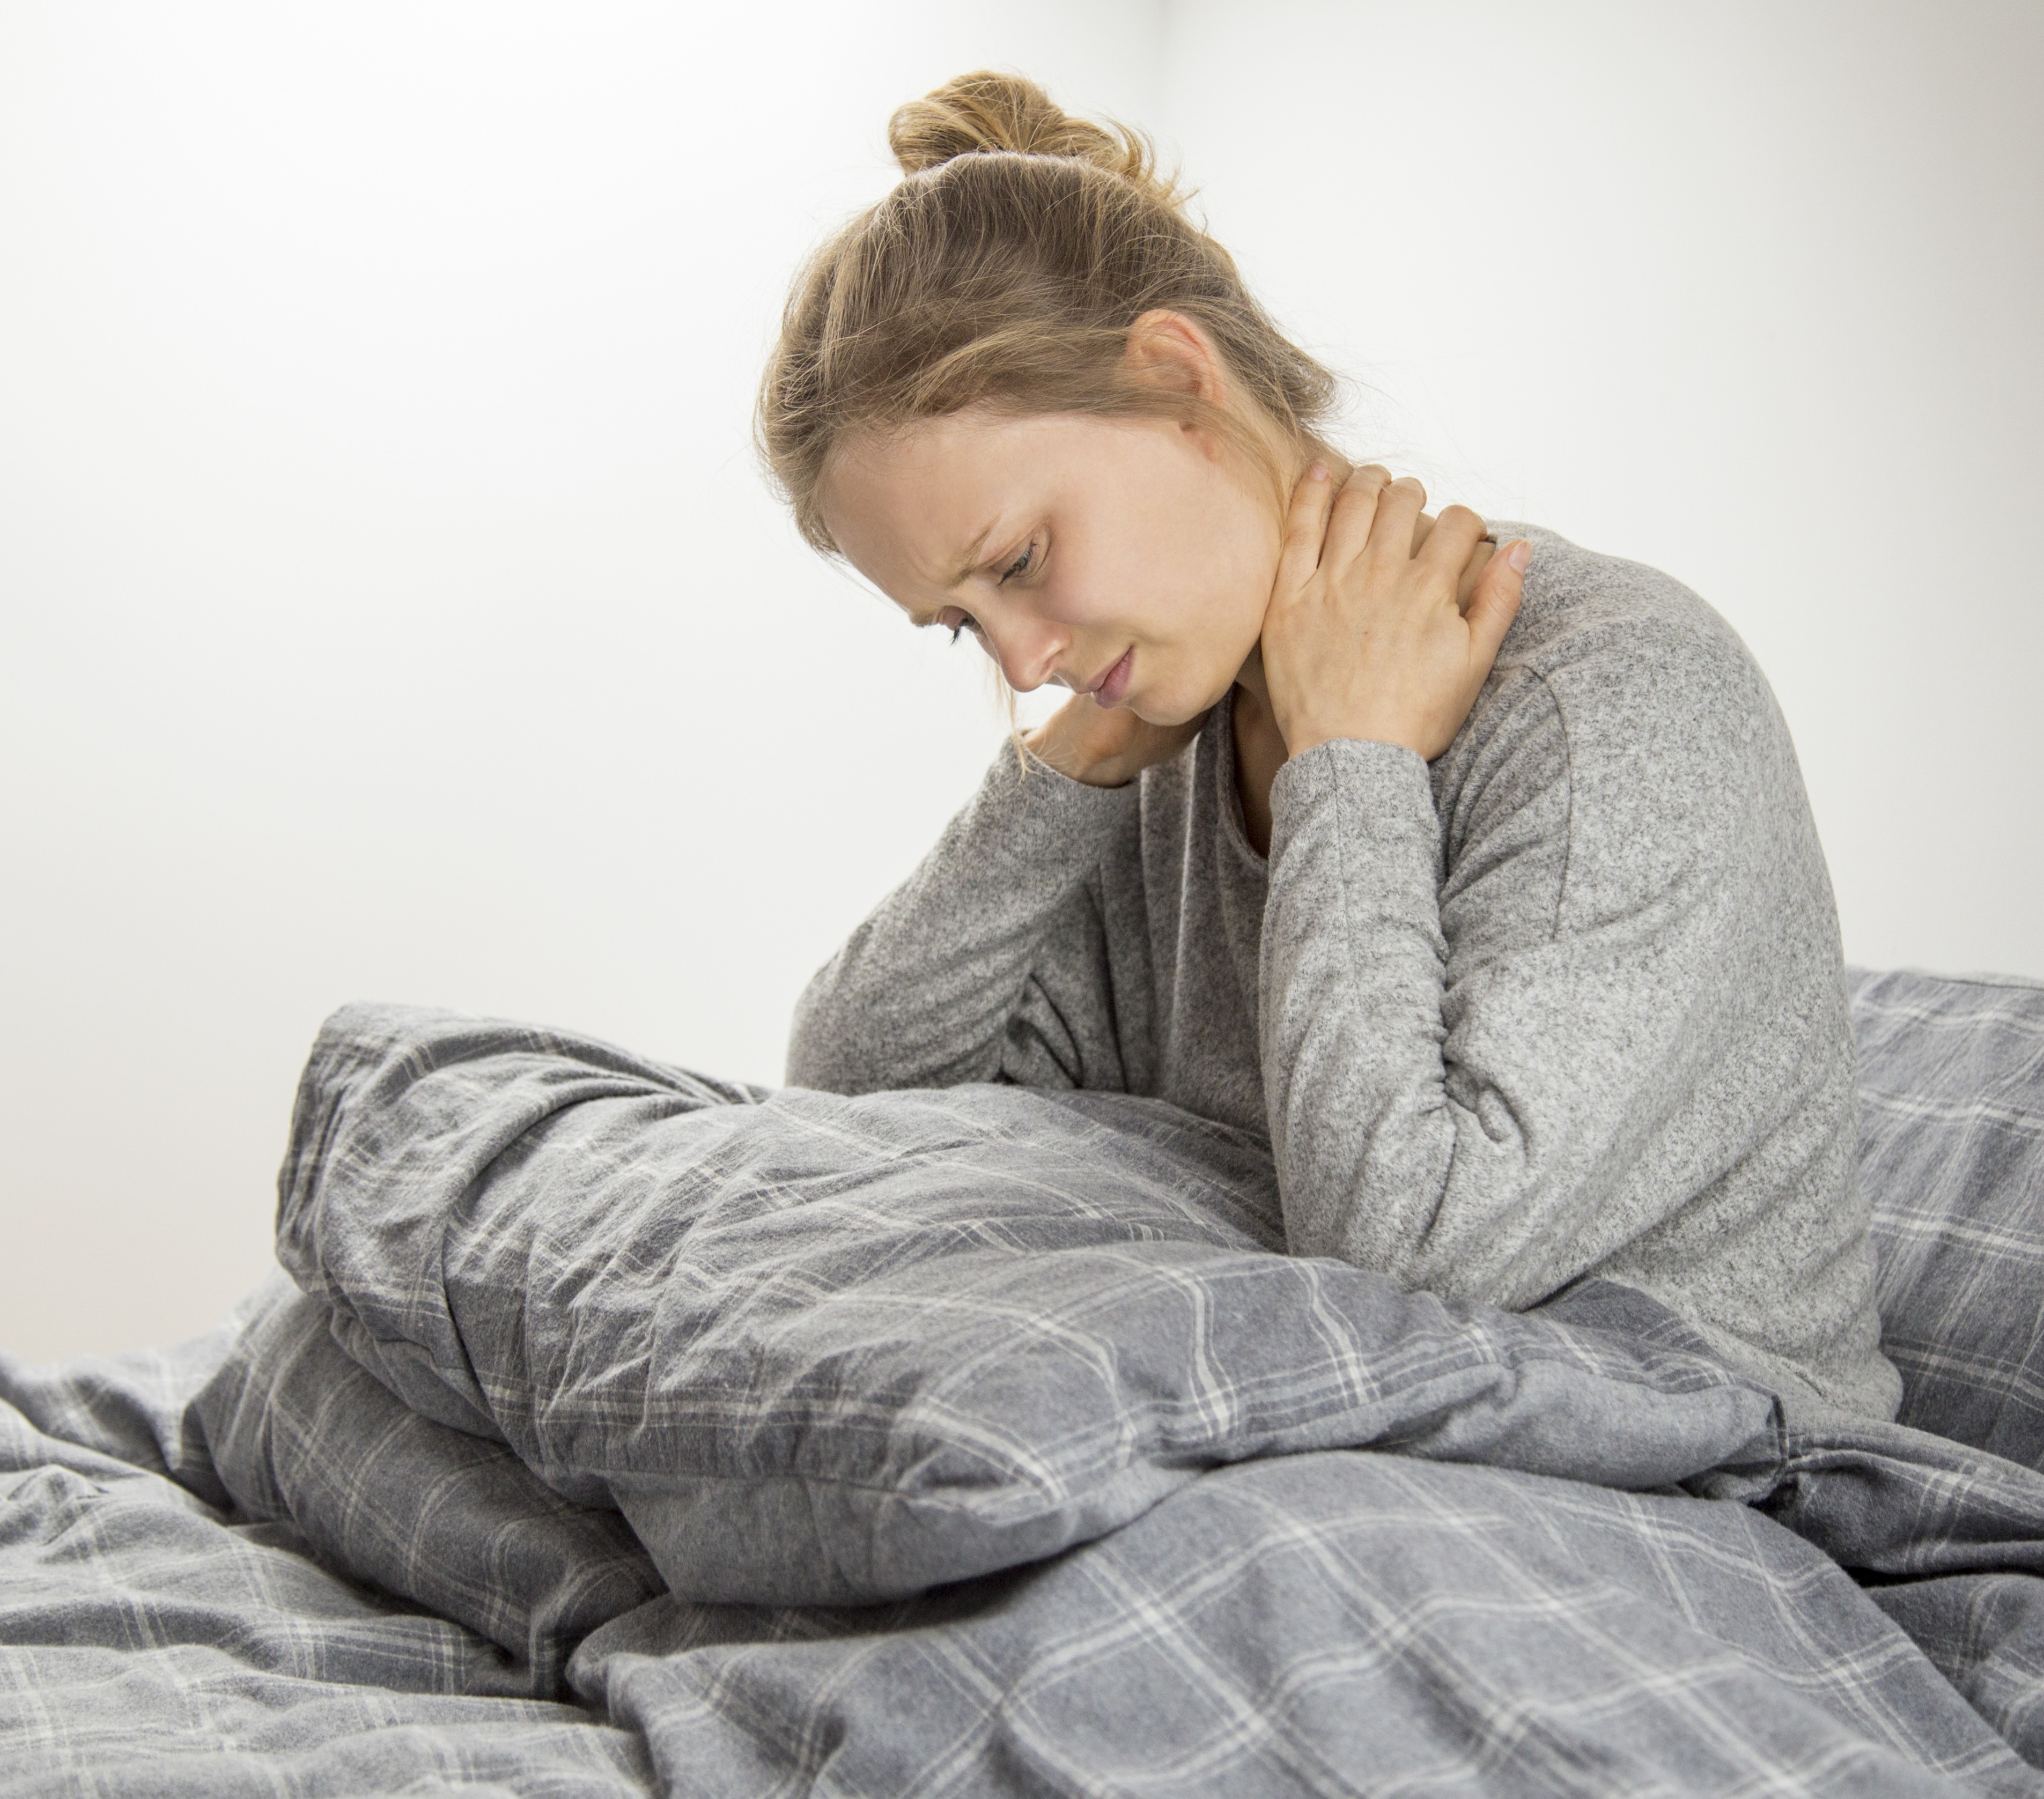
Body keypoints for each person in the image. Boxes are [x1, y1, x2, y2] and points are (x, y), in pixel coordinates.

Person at [757, 70, 1900, 1427]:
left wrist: (1349, 762)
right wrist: (1055, 775)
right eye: (962, 625)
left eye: (1021, 561)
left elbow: (1415, 1254)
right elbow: (852, 1089)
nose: (1020, 662)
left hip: (1699, 1454)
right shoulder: (1159, 744)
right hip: (1370, 1435)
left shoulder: (1606, 697)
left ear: (1179, 383)